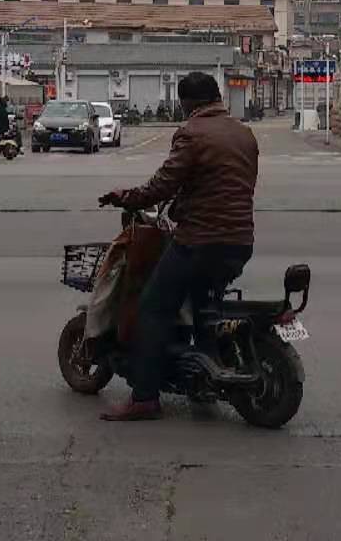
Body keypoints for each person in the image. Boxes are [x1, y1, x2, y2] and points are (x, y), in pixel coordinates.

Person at [96, 72, 258, 422]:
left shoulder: (192, 133)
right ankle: (204, 381)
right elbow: (227, 186)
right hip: (240, 241)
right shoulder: (244, 134)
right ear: (217, 97)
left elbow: (164, 184)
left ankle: (144, 398)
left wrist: (127, 197)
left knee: (153, 309)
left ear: (187, 103)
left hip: (200, 241)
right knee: (203, 307)